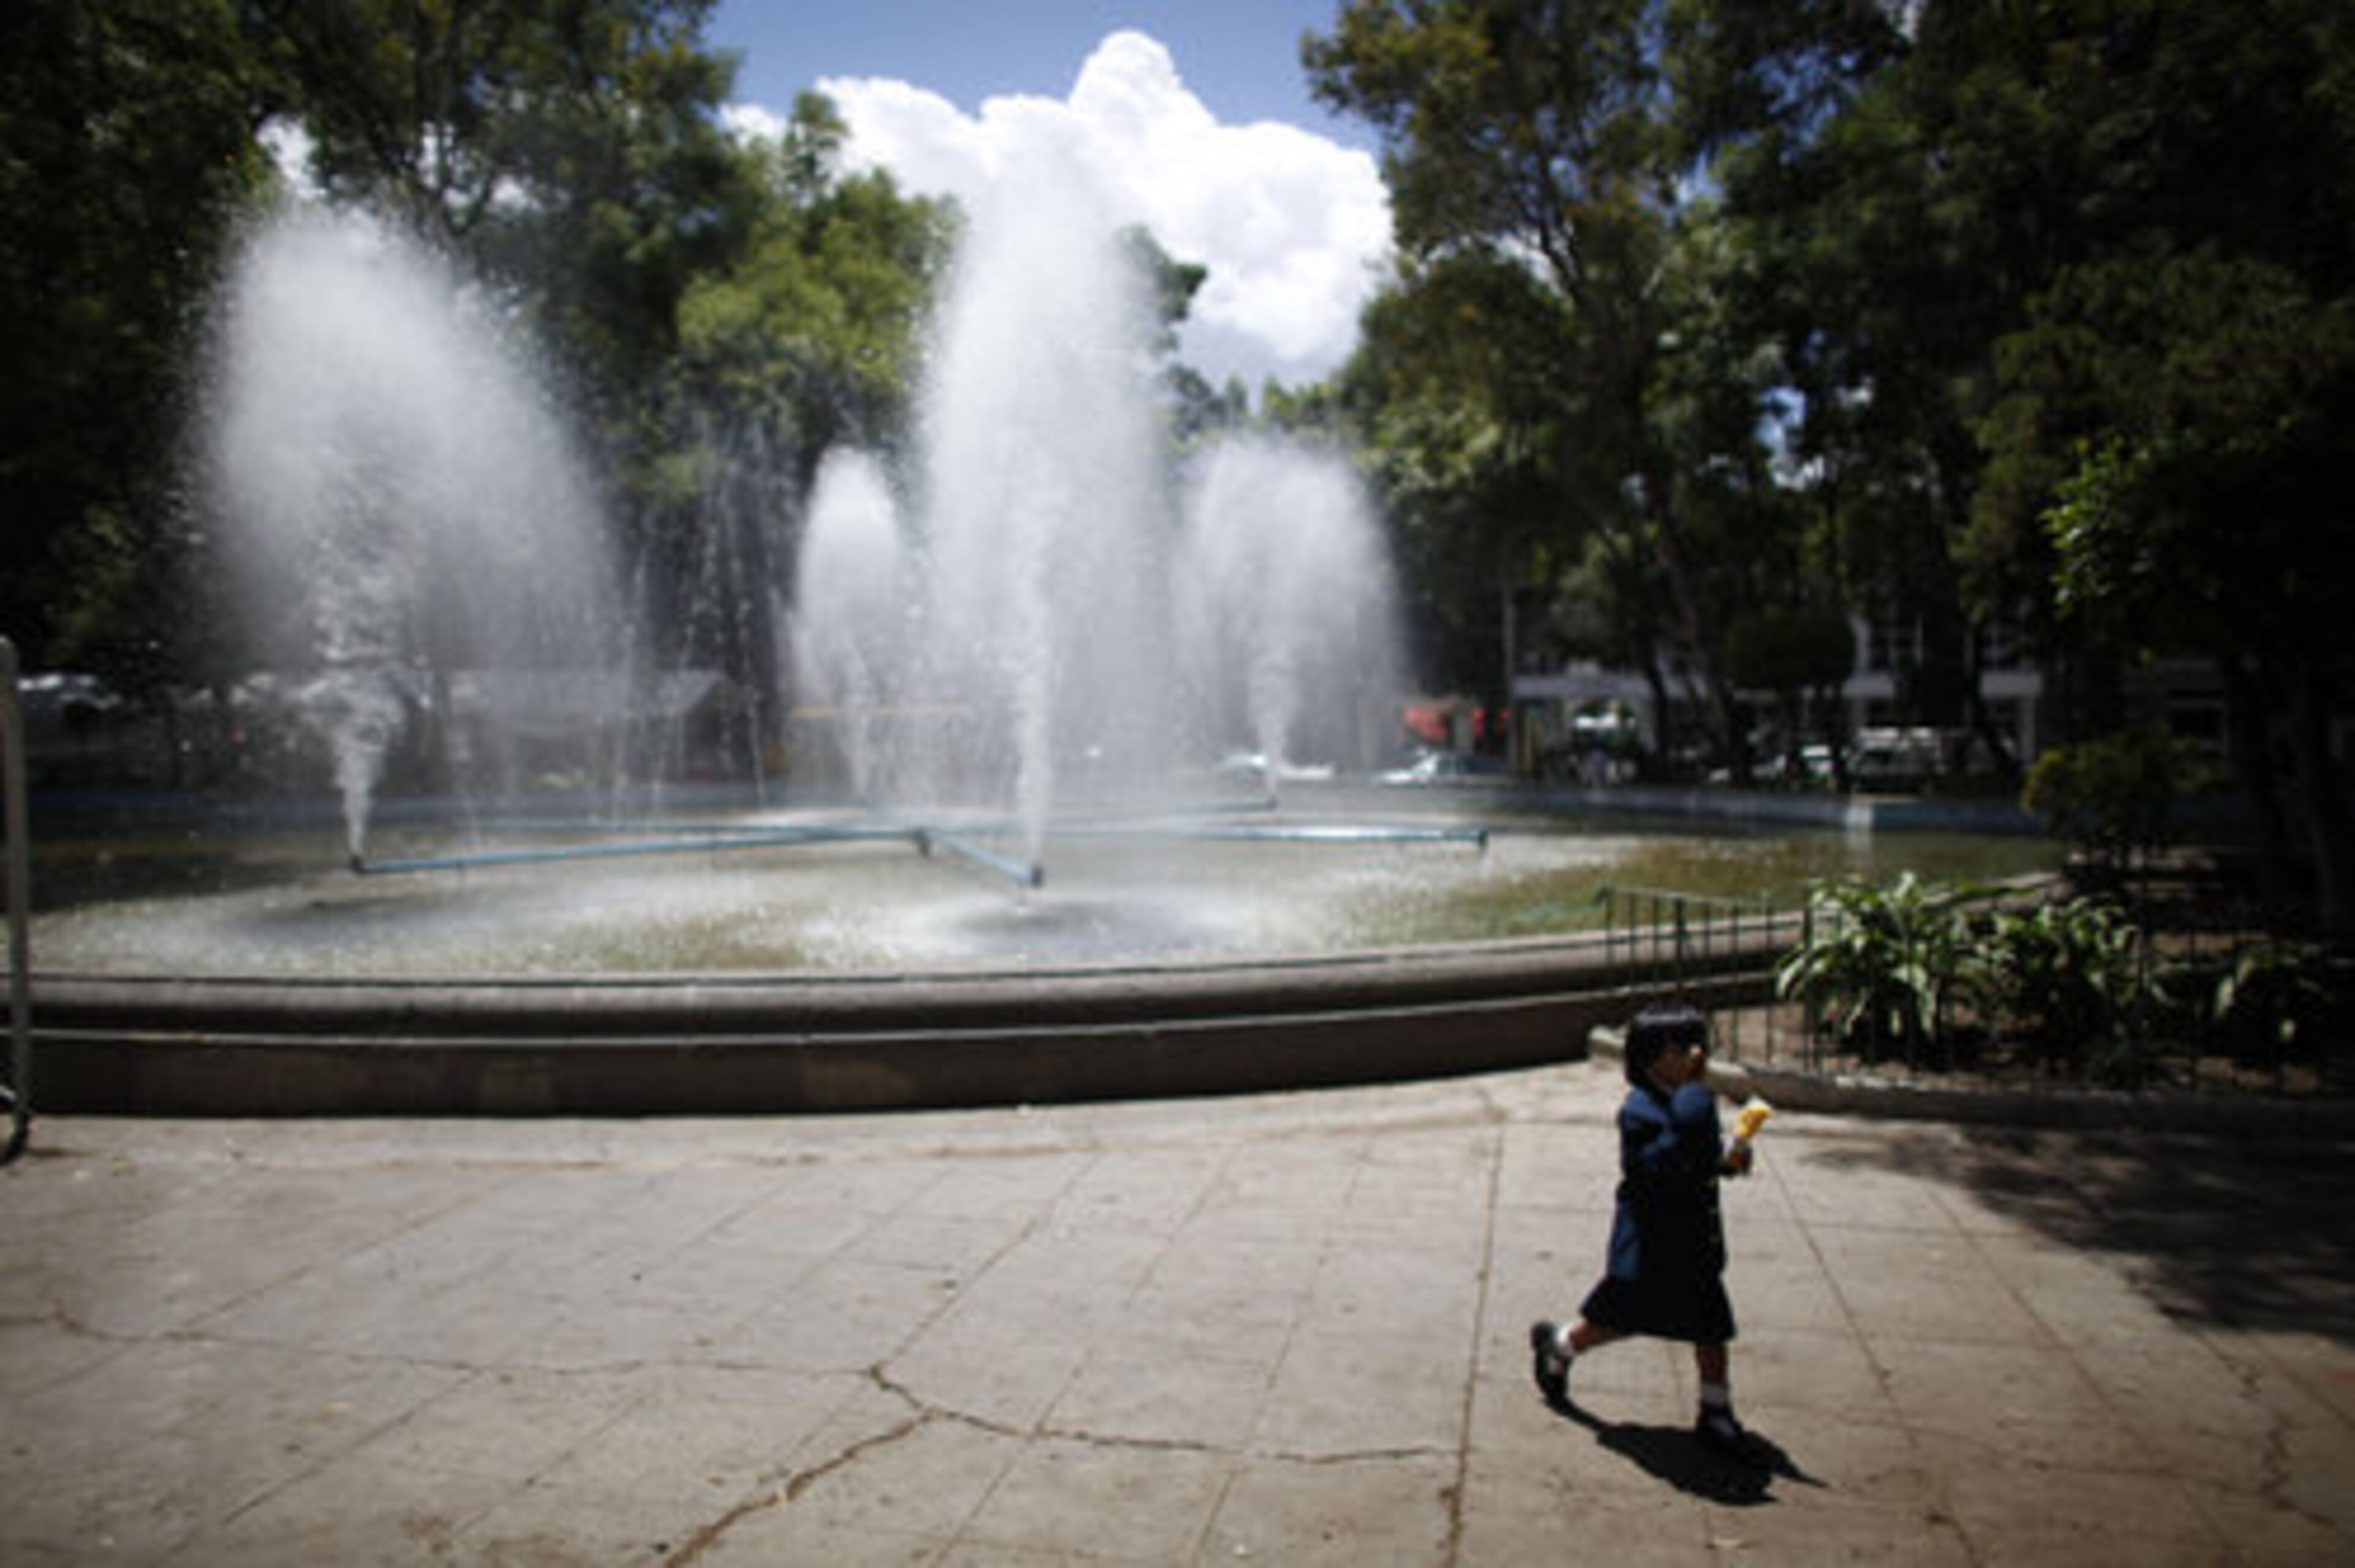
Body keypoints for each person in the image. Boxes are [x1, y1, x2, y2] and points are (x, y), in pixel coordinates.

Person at [1530, 1003, 1756, 1453]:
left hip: (1694, 1240)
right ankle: (1560, 1344)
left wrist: (1728, 1158)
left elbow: (1699, 1153)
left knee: (1712, 1326)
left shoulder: (1689, 1097)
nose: (1697, 1055)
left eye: (1700, 1045)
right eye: (1683, 1048)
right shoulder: (1641, 1109)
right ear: (1654, 1056)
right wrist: (1694, 1099)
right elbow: (1664, 1161)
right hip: (1652, 1244)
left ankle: (1716, 1409)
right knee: (1615, 1320)